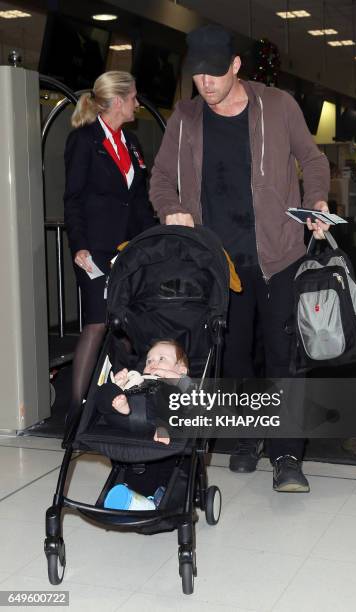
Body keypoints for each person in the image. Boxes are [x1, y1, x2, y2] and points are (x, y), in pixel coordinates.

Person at [149, 25, 331, 492]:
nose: (205, 83)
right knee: (232, 360)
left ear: (235, 66)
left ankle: (287, 453)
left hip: (278, 256)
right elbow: (161, 179)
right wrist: (171, 210)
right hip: (218, 264)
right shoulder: (185, 118)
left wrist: (318, 202)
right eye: (197, 75)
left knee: (282, 357)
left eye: (215, 73)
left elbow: (312, 160)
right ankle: (248, 438)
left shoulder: (278, 105)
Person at [64, 70, 156, 420]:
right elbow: (73, 199)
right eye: (133, 97)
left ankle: (122, 406)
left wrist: (152, 242)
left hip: (129, 250)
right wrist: (79, 245)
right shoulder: (84, 141)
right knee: (97, 323)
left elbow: (139, 203)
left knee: (128, 325)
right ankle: (75, 414)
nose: (137, 103)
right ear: (118, 101)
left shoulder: (131, 143)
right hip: (94, 249)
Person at [96, 340, 189, 444]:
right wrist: (119, 383)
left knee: (172, 394)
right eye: (149, 361)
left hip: (154, 418)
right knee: (105, 388)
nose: (152, 363)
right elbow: (121, 388)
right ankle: (121, 405)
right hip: (120, 415)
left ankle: (164, 428)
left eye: (161, 358)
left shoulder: (177, 381)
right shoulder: (137, 377)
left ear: (182, 370)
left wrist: (166, 374)